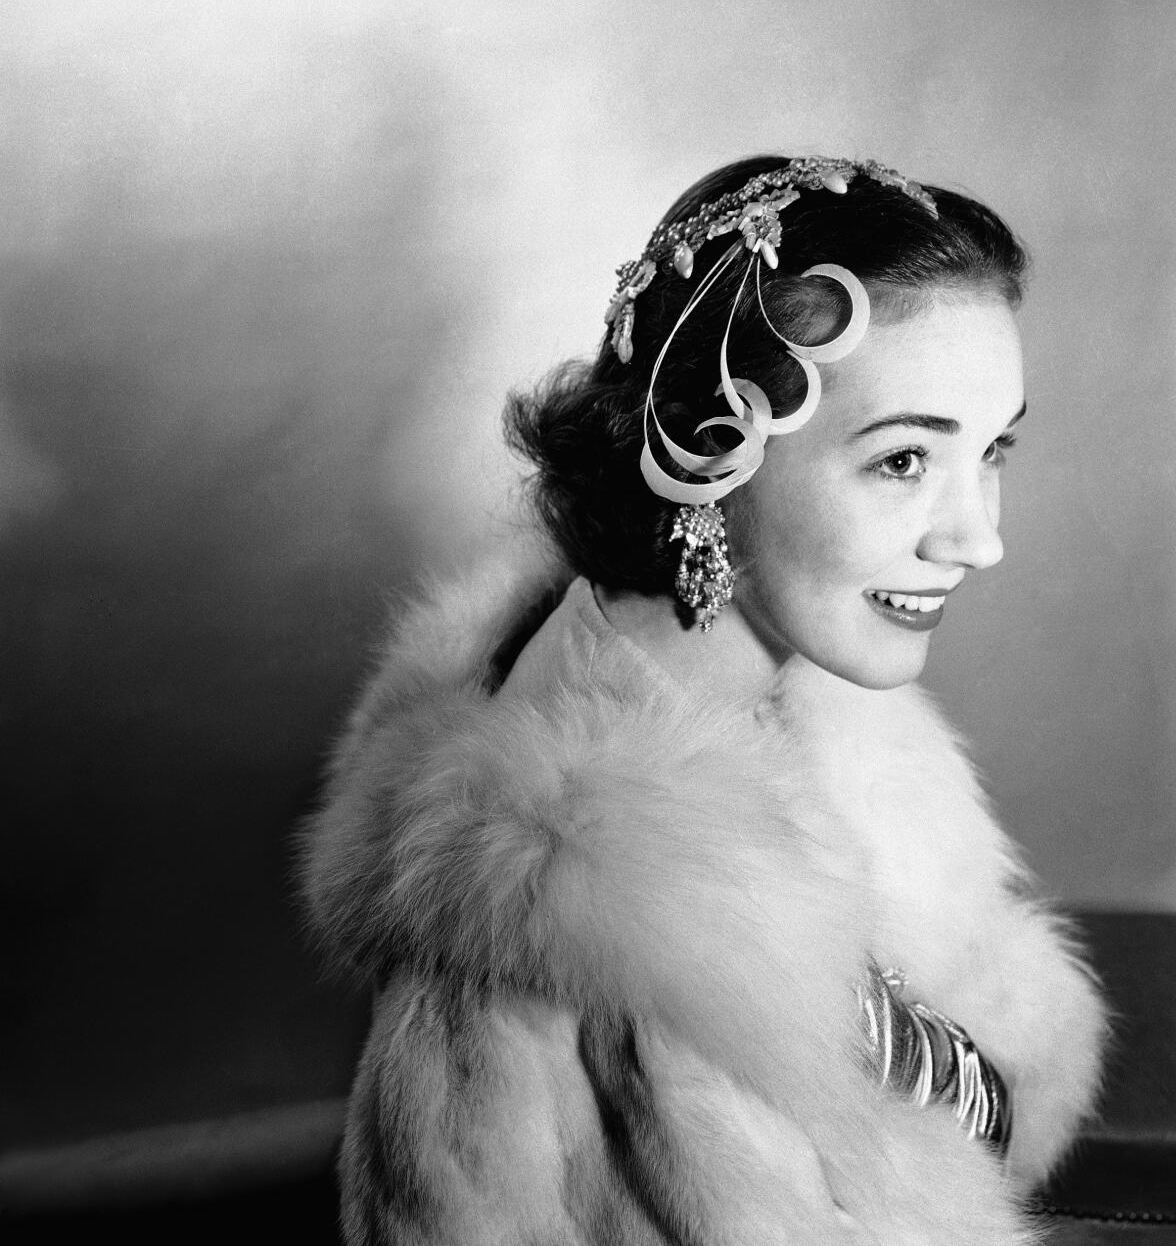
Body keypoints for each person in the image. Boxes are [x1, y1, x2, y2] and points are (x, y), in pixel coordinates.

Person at [303, 154, 1107, 1245]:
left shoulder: (776, 719)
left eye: (992, 448)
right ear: (709, 450)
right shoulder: (570, 910)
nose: (979, 535)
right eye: (905, 459)